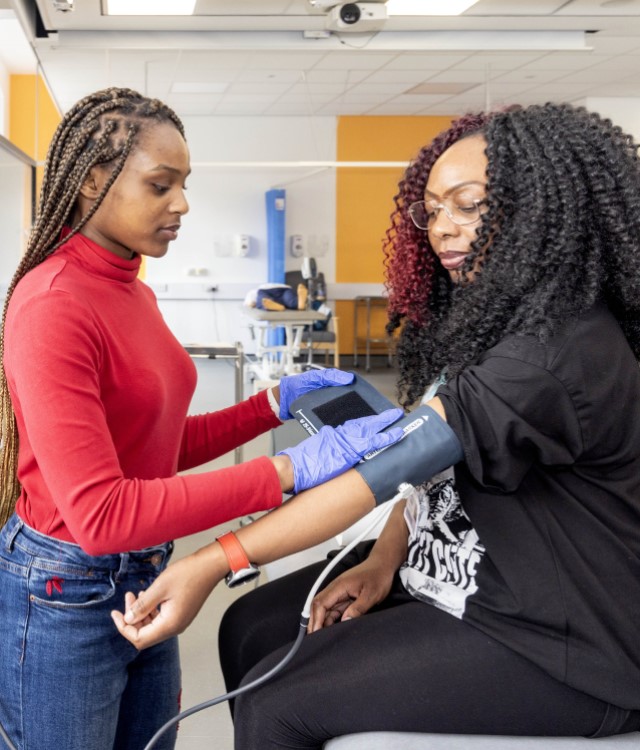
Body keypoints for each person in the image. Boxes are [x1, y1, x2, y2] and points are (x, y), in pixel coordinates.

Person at [113, 102, 640, 748]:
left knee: (276, 708)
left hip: (567, 640)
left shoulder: (556, 350)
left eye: (468, 204)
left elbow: (397, 465)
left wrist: (215, 559)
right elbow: (435, 477)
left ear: (542, 206)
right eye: (433, 210)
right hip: (473, 578)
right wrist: (387, 559)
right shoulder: (495, 325)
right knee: (247, 626)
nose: (442, 228)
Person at [0, 87, 405, 750]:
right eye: (161, 185)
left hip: (144, 572)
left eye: (184, 184)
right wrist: (285, 471)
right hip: (64, 592)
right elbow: (101, 515)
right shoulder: (53, 303)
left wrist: (268, 407)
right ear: (92, 181)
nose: (182, 204)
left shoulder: (130, 283)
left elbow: (153, 448)